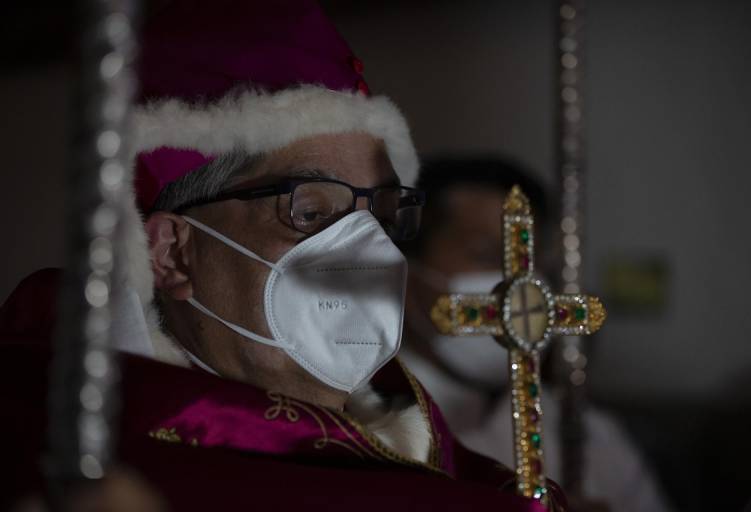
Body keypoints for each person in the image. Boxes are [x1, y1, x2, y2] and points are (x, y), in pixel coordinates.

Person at [0, 1, 566, 511]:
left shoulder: (428, 447)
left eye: (384, 215)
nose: (369, 251)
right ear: (172, 252)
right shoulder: (73, 455)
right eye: (311, 212)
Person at [399, 157, 674, 512]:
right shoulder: (361, 430)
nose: (520, 287)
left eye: (530, 260)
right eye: (485, 254)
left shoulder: (588, 435)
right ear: (406, 273)